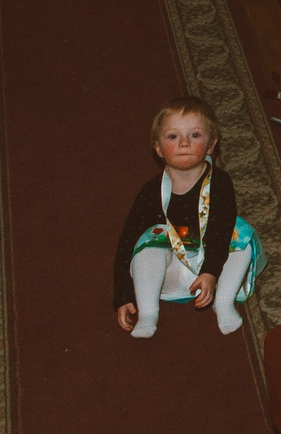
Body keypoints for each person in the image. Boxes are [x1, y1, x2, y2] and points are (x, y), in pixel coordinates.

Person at [112, 96, 265, 339]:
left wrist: (211, 272)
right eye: (173, 137)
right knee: (147, 244)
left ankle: (223, 302)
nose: (184, 143)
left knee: (240, 235)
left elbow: (219, 229)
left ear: (211, 144)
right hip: (170, 271)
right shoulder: (151, 192)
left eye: (195, 135)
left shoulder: (220, 183)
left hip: (215, 268)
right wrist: (123, 295)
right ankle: (149, 311)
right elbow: (127, 241)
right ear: (158, 148)